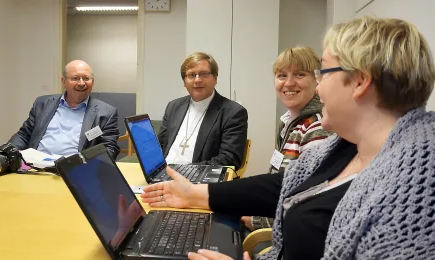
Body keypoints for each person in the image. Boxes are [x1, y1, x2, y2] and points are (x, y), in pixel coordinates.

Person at [141, 16, 435, 260]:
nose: (317, 88)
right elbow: (284, 184)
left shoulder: (417, 189)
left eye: (323, 73)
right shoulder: (347, 148)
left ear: (360, 81)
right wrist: (194, 194)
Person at [242, 47, 334, 232]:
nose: (289, 83)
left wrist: (259, 221)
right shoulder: (288, 123)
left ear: (317, 80)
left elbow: (309, 202)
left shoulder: (317, 128)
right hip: (273, 214)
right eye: (282, 75)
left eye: (299, 74)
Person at [8, 60, 120, 160]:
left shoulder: (106, 113)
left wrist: (84, 165)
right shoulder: (43, 103)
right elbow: (24, 135)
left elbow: (109, 148)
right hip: (35, 168)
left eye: (86, 78)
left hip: (74, 171)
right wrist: (5, 152)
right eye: (75, 78)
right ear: (63, 81)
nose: (81, 83)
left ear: (93, 82)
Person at [158, 52, 248, 169]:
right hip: (162, 176)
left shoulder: (233, 113)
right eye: (191, 75)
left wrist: (184, 171)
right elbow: (159, 146)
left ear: (215, 78)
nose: (197, 80)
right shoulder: (173, 107)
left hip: (198, 182)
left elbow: (229, 159)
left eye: (203, 74)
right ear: (184, 82)